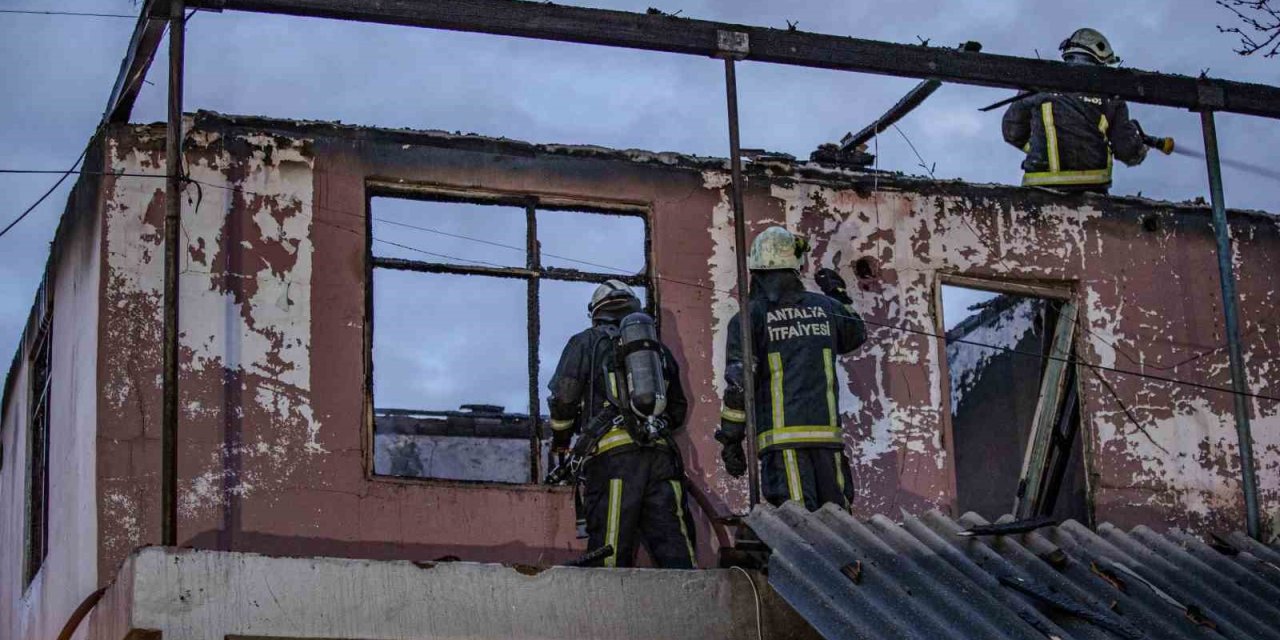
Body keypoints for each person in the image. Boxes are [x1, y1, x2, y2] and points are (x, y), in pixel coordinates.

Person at [546, 280, 696, 568]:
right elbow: (677, 409)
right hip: (662, 460)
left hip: (613, 462)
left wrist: (561, 441)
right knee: (676, 552)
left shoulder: (585, 342)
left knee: (609, 552)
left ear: (596, 312)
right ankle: (695, 597)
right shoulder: (658, 351)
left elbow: (564, 399)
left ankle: (608, 600)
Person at [716, 226, 867, 511]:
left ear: (756, 270)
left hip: (782, 446)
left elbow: (739, 385)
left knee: (797, 524)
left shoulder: (749, 317)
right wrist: (838, 294)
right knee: (839, 523)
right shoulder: (826, 308)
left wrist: (731, 440)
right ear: (796, 266)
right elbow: (856, 333)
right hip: (828, 444)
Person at [1002, 28, 1148, 193]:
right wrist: (1140, 149)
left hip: (1039, 187)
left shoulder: (1037, 86)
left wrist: (1041, 148)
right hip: (1092, 188)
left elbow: (1012, 133)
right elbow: (1127, 151)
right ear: (1099, 59)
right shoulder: (1110, 95)